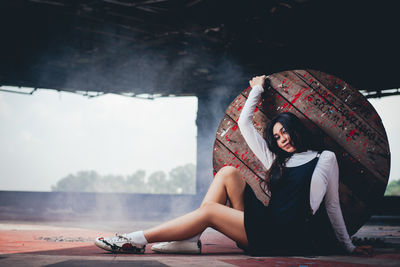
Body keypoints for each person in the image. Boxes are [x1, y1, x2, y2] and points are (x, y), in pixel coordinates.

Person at [94, 75, 372, 256]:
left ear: (295, 129)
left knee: (211, 211)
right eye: (276, 136)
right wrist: (256, 90)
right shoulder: (278, 160)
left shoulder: (324, 158)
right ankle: (191, 240)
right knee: (228, 173)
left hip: (284, 235)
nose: (282, 138)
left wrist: (347, 247)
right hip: (265, 224)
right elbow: (244, 124)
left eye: (284, 131)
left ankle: (136, 239)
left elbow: (332, 205)